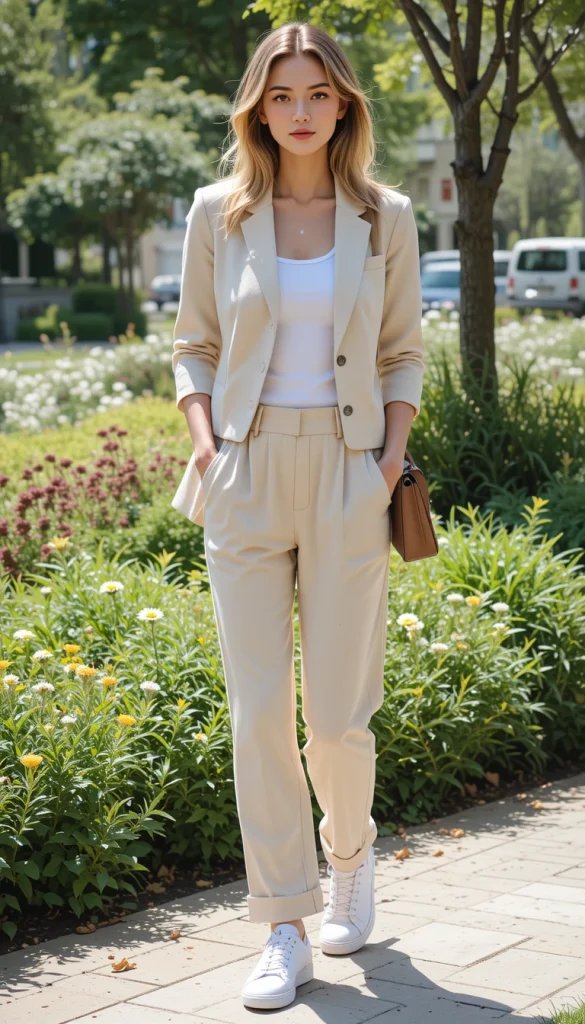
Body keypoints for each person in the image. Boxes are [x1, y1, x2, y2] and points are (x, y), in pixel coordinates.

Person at [170, 20, 425, 1012]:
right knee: (258, 710)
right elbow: (192, 344)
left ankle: (350, 856)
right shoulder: (217, 213)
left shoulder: (386, 214)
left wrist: (388, 458)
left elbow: (402, 351)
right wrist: (205, 439)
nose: (301, 111)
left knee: (335, 713)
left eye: (319, 93)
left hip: (349, 466)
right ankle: (282, 921)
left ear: (346, 104)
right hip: (242, 465)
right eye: (283, 96)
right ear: (258, 108)